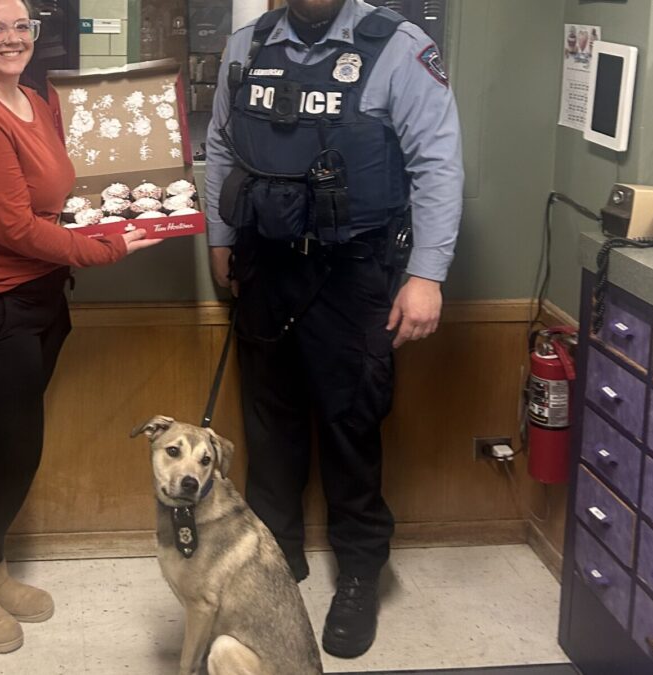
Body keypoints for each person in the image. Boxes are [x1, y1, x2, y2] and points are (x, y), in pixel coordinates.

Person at [204, 0, 463, 660]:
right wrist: (220, 237)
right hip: (265, 262)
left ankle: (358, 573)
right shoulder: (247, 45)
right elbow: (221, 144)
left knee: (352, 427)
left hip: (355, 271)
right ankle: (271, 561)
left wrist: (427, 273)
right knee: (269, 423)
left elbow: (437, 160)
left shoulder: (398, 46)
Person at [0, 0, 160, 655]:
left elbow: (53, 195)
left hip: (32, 306)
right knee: (11, 459)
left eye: (24, 26)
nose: (14, 37)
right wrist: (108, 248)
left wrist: (113, 210)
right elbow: (14, 228)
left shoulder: (34, 100)